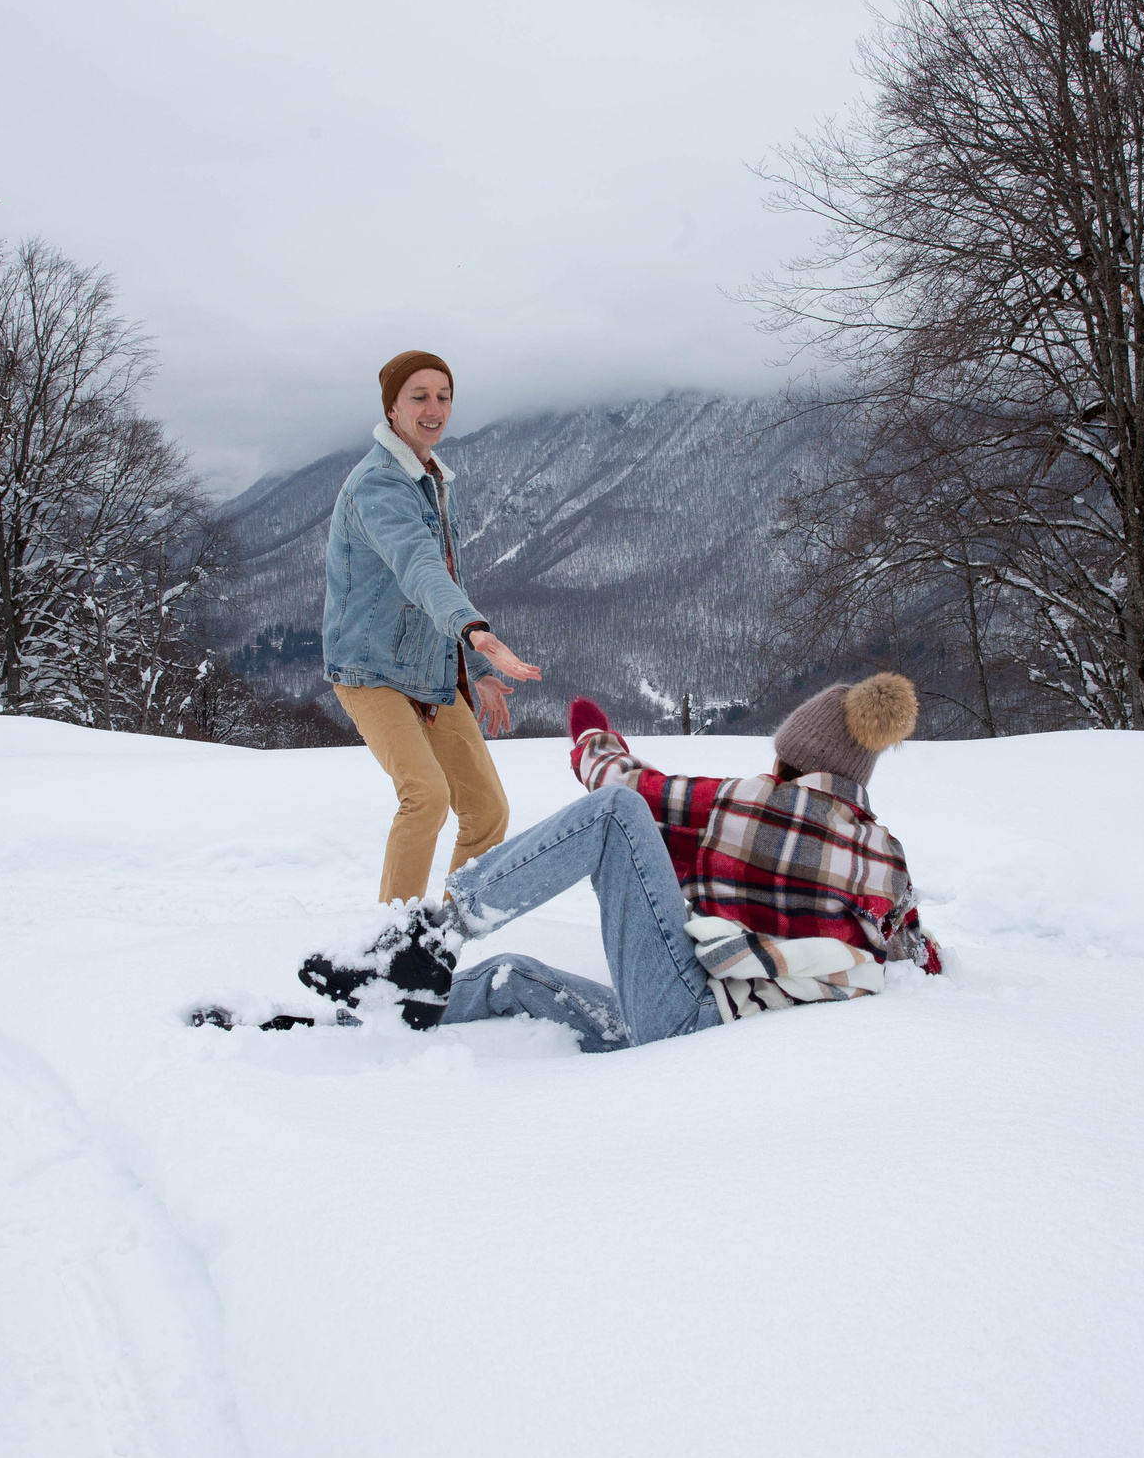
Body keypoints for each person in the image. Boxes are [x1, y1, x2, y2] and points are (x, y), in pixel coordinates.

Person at [298, 673, 944, 1051]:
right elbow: (919, 951)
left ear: (791, 759)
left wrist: (591, 739)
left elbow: (627, 792)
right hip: (717, 1034)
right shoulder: (887, 862)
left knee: (614, 814)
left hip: (685, 1019)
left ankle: (438, 935)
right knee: (512, 978)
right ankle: (379, 1008)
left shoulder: (744, 804)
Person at [324, 350, 542, 904]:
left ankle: (448, 939)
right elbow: (417, 566)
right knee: (425, 796)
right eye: (418, 396)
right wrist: (475, 630)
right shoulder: (378, 484)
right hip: (370, 669)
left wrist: (469, 670)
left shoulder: (429, 479)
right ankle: (392, 943)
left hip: (430, 668)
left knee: (487, 812)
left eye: (443, 396)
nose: (433, 408)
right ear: (392, 409)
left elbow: (432, 584)